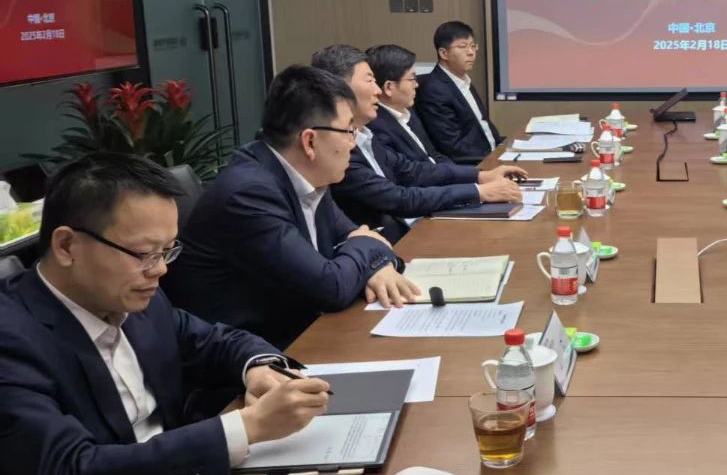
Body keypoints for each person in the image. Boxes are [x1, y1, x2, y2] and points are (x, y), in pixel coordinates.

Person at [0, 154, 330, 475]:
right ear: (66, 246)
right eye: (143, 254)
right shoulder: (12, 337)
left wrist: (258, 368)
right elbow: (71, 473)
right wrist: (246, 427)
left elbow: (213, 341)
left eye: (167, 250)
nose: (160, 270)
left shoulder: (136, 296)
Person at [165, 66, 419, 349]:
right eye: (349, 130)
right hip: (254, 354)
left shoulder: (309, 175)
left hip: (308, 331)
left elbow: (360, 240)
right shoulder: (248, 193)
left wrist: (377, 263)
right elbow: (330, 287)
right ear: (310, 141)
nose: (353, 142)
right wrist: (367, 247)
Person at [313, 44, 524, 241]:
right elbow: (398, 198)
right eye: (369, 81)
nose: (377, 90)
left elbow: (412, 170)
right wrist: (478, 191)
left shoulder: (365, 135)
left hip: (415, 227)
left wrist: (480, 176)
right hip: (397, 242)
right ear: (340, 90)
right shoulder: (338, 148)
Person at [415, 21, 502, 163]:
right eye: (463, 47)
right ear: (444, 53)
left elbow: (484, 125)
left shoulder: (463, 80)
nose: (471, 52)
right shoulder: (434, 90)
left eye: (473, 46)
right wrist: (494, 161)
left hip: (492, 155)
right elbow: (453, 147)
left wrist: (504, 150)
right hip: (474, 165)